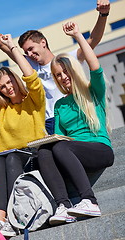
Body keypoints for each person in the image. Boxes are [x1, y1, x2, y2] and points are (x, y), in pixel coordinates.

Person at [0, 0, 110, 134]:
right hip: (46, 121)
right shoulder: (31, 65)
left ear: (43, 42)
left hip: (71, 114)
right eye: (26, 52)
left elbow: (93, 40)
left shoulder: (67, 60)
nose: (29, 54)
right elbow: (4, 46)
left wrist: (103, 15)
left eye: (31, 49)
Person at [37, 22, 114, 226]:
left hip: (99, 149)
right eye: (58, 75)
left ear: (73, 70)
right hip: (72, 150)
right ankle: (62, 205)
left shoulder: (92, 91)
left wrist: (78, 35)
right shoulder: (60, 105)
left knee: (61, 146)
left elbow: (94, 67)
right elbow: (61, 138)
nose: (63, 78)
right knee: (45, 151)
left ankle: (89, 200)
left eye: (65, 72)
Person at [0, 34, 45, 237]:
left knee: (9, 157)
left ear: (15, 80)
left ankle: (15, 215)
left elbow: (31, 78)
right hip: (6, 160)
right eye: (3, 87)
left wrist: (12, 48)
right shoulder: (1, 108)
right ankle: (0, 220)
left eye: (10, 82)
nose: (8, 88)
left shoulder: (34, 101)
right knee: (0, 159)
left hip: (31, 156)